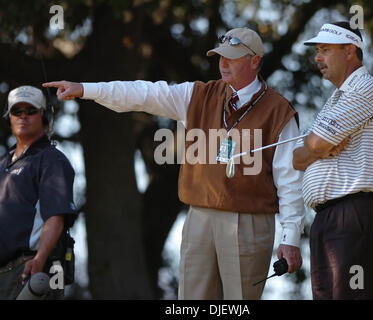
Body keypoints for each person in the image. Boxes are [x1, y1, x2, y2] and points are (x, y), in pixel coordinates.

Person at [44, 27, 305, 300]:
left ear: (255, 61)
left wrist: (291, 238)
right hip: (199, 216)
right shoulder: (198, 95)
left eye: (233, 57)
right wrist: (86, 90)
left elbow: (290, 181)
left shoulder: (279, 111)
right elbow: (142, 94)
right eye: (220, 56)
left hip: (250, 221)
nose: (223, 63)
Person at [293, 22, 373, 299]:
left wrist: (315, 147)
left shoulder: (364, 88)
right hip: (331, 218)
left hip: (354, 213)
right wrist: (317, 148)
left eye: (325, 50)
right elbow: (297, 158)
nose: (317, 57)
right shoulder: (336, 98)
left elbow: (313, 144)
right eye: (317, 51)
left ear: (350, 51)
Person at [0, 85, 77, 299]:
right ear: (9, 116)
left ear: (43, 115)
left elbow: (55, 217)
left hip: (30, 270)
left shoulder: (51, 159)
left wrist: (40, 259)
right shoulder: (3, 163)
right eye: (17, 111)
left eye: (31, 110)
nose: (23, 116)